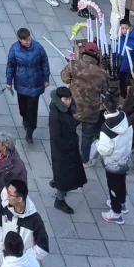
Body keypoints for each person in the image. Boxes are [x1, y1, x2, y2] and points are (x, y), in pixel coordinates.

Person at [4, 30, 49, 144]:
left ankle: (30, 131)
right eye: (25, 40)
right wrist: (9, 81)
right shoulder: (14, 49)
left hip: (35, 83)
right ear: (20, 40)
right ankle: (24, 118)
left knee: (33, 109)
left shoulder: (38, 47)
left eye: (29, 39)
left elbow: (44, 62)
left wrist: (46, 78)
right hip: (21, 83)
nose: (28, 42)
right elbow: (10, 66)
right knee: (23, 106)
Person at [48, 86, 85, 214]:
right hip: (63, 150)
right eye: (65, 99)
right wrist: (67, 147)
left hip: (69, 146)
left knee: (65, 174)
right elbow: (56, 136)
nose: (68, 101)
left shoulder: (67, 109)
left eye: (69, 99)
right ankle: (59, 200)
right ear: (59, 100)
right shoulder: (55, 115)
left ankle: (58, 185)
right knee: (64, 176)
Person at [94, 97, 130, 224]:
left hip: (113, 162)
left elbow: (104, 150)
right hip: (124, 157)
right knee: (122, 181)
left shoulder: (107, 128)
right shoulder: (125, 119)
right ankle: (122, 203)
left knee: (113, 186)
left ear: (104, 106)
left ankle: (116, 212)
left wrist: (97, 144)